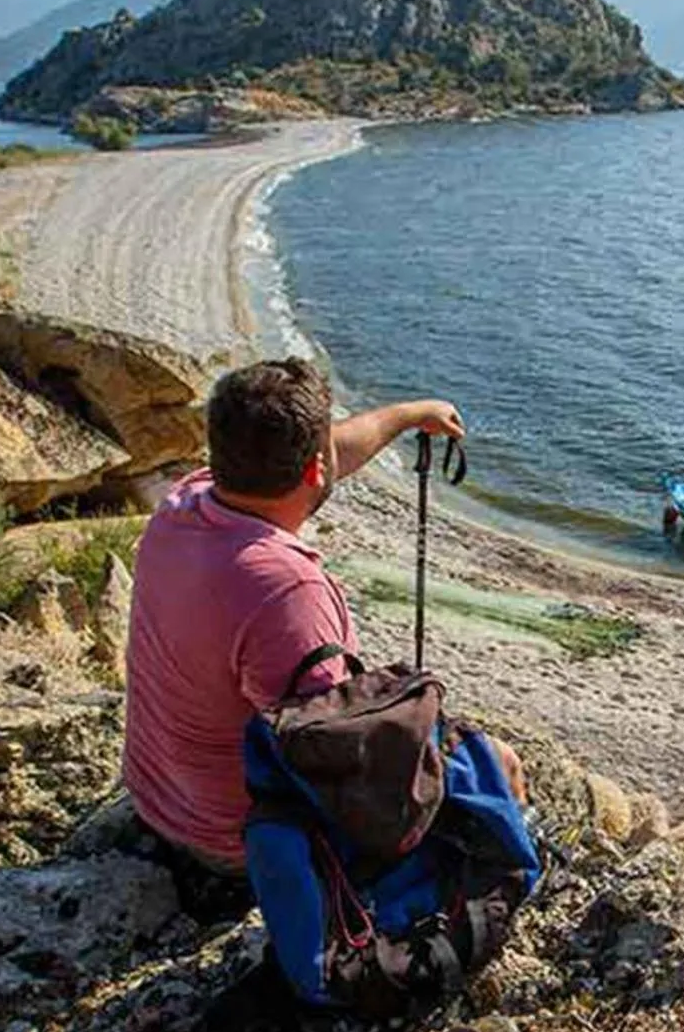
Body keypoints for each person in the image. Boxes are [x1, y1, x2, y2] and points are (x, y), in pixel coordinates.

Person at [100, 357, 477, 905]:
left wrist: (410, 414)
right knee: (492, 770)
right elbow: (337, 761)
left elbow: (331, 451)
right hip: (231, 843)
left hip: (158, 799)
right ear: (314, 471)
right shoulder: (288, 594)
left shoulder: (186, 503)